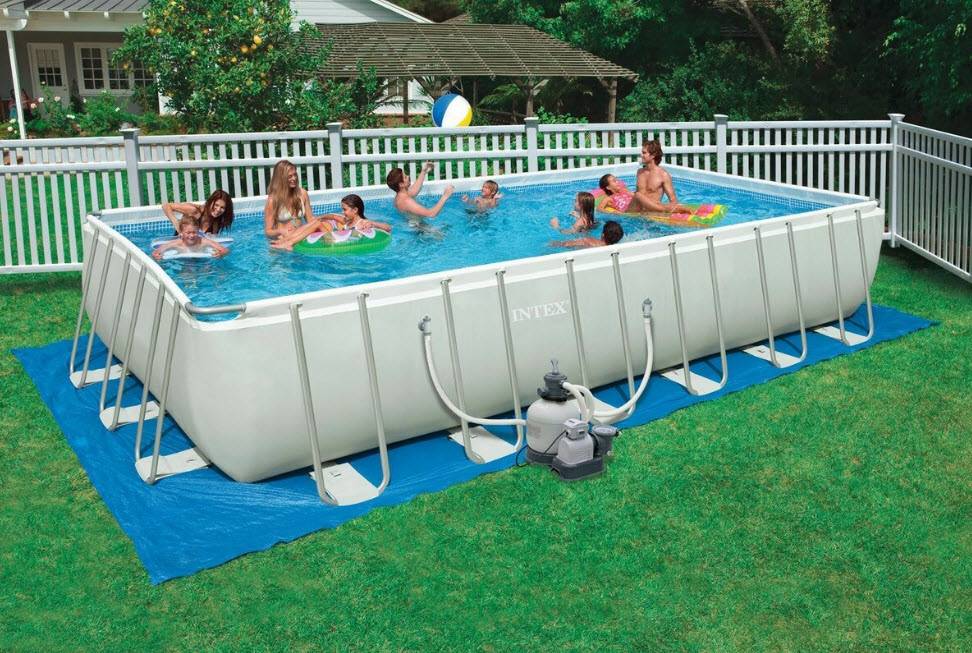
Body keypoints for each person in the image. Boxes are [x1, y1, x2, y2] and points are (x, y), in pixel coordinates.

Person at [271, 194, 391, 251]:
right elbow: (332, 216)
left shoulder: (362, 223)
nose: (343, 212)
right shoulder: (346, 220)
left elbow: (388, 228)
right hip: (332, 242)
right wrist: (320, 217)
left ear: (355, 210)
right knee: (317, 222)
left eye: (345, 209)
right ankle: (286, 240)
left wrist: (374, 224)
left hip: (341, 245)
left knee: (318, 224)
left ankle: (289, 242)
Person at [635, 140, 691, 214]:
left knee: (638, 195)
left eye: (644, 153)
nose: (641, 155)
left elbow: (673, 200)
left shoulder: (663, 175)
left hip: (653, 212)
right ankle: (664, 209)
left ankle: (663, 209)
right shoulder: (640, 172)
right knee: (637, 195)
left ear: (653, 155)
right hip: (639, 213)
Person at [264, 160, 315, 240]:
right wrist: (280, 231)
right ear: (281, 178)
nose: (294, 178)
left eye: (295, 175)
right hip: (282, 242)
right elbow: (268, 231)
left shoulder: (302, 194)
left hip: (300, 238)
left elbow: (310, 219)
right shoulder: (273, 200)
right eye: (290, 176)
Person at [387, 162, 454, 220]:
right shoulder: (407, 202)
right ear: (401, 184)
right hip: (419, 228)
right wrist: (445, 196)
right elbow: (431, 214)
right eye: (405, 177)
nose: (408, 176)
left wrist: (424, 171)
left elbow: (414, 190)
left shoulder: (400, 196)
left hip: (412, 223)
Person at [162, 189, 234, 235]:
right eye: (216, 205)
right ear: (210, 202)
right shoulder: (194, 211)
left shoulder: (216, 222)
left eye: (222, 207)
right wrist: (176, 223)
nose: (218, 210)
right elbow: (166, 206)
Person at [152, 218, 229, 260]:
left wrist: (221, 253)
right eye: (188, 233)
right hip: (184, 262)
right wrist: (157, 256)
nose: (191, 235)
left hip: (203, 262)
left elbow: (225, 250)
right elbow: (156, 252)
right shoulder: (176, 243)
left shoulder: (203, 241)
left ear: (198, 231)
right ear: (181, 233)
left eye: (194, 232)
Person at [553, 220, 624, 249]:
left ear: (603, 235)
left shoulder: (587, 241)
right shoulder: (617, 248)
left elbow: (564, 244)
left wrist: (556, 227)